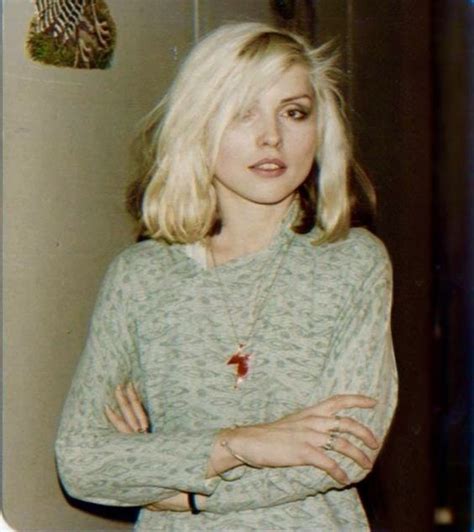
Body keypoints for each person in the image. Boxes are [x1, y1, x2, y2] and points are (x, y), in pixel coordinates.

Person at [55, 22, 398, 531]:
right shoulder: (140, 277)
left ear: (320, 129)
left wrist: (178, 487)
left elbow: (346, 452)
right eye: (243, 112)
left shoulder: (352, 262)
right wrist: (239, 442)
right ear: (198, 125)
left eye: (294, 112)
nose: (272, 136)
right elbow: (82, 461)